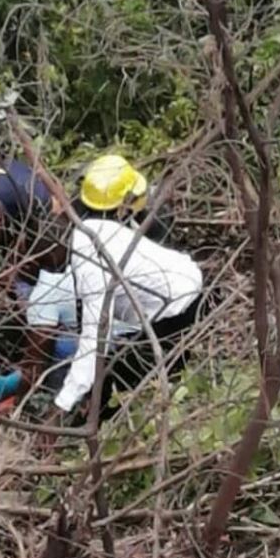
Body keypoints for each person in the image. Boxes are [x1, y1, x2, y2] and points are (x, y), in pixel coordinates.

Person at [47, 160, 204, 424]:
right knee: (112, 377)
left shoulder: (90, 256)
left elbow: (96, 336)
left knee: (114, 392)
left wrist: (62, 404)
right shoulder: (94, 232)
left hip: (178, 310)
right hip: (179, 295)